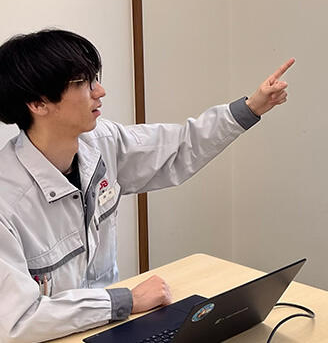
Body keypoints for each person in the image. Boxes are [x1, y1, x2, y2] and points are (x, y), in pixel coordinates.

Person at [0, 29, 294, 343]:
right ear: (38, 102)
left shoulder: (101, 143)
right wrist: (125, 301)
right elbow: (16, 321)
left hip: (107, 328)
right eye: (83, 83)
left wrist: (250, 108)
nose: (100, 91)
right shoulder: (7, 201)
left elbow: (180, 146)